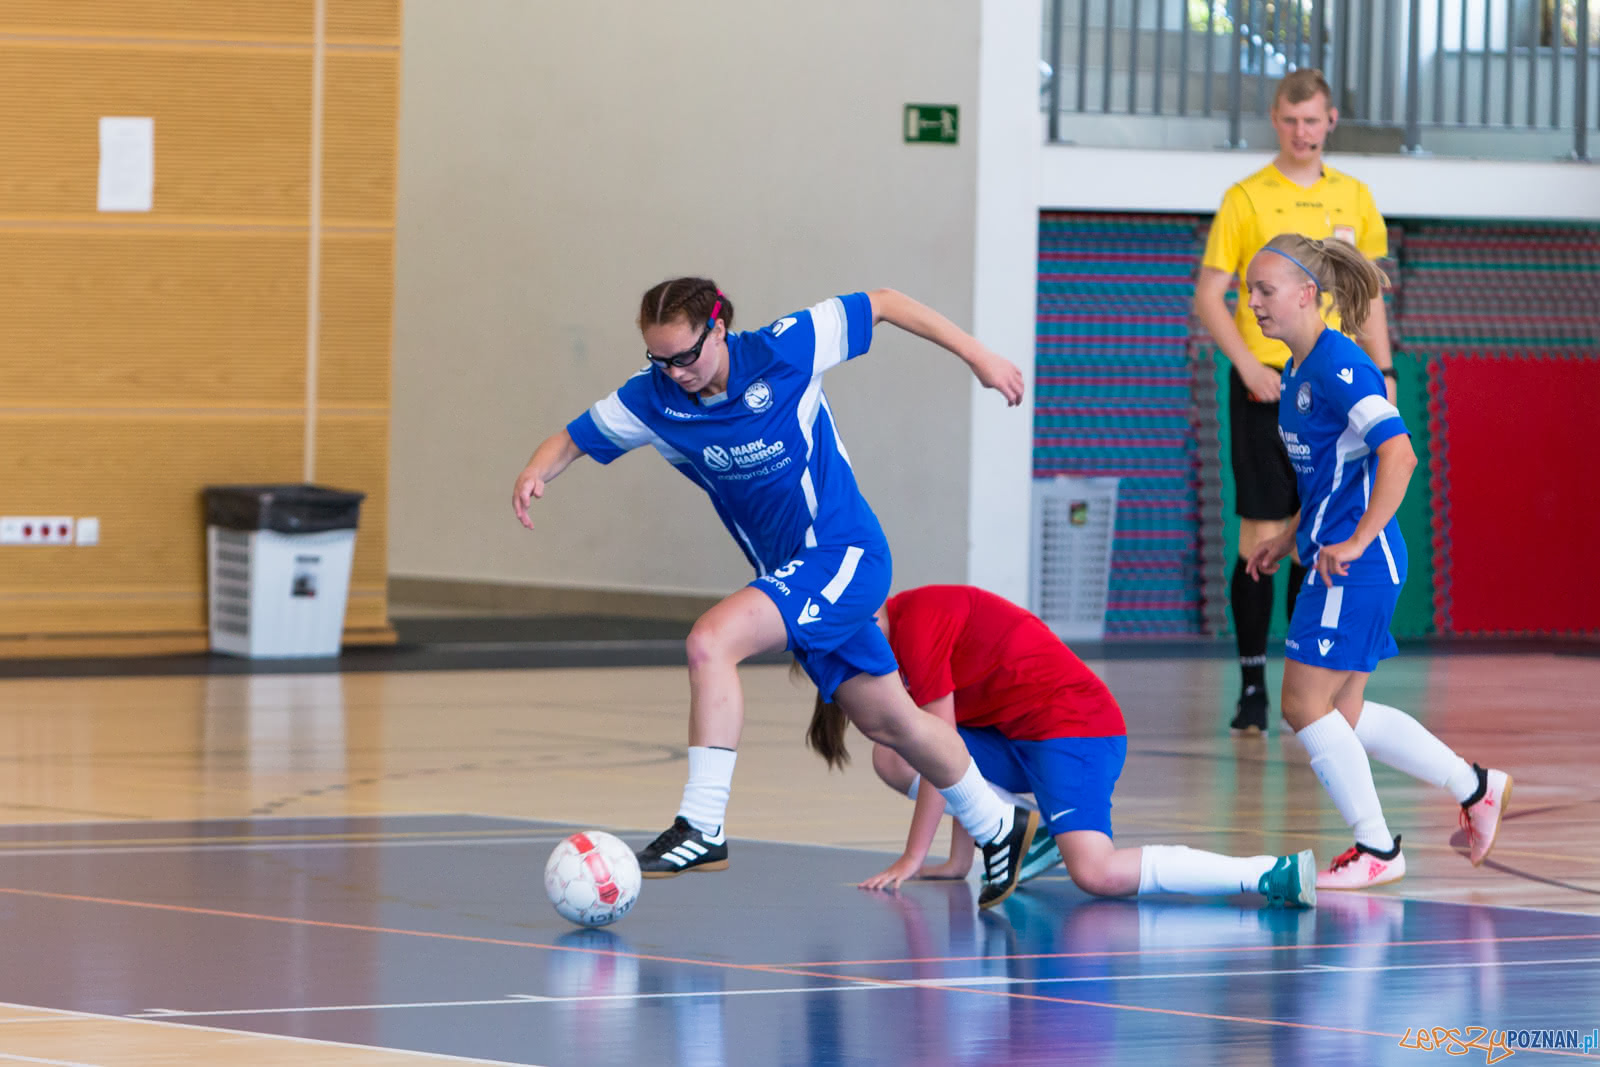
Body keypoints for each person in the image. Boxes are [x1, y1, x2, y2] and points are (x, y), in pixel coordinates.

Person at [512, 277, 1042, 907]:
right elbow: (573, 437)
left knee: (711, 641)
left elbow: (886, 303)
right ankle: (997, 822)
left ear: (719, 328)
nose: (675, 371)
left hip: (843, 552)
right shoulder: (652, 400)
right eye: (659, 358)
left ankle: (702, 823)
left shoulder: (788, 349)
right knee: (892, 722)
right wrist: (535, 472)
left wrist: (979, 356)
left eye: (686, 355)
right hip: (792, 575)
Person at [1242, 233, 1511, 889]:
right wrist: (1289, 535)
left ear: (1308, 294)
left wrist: (1357, 540)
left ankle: (1377, 849)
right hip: (1336, 555)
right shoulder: (1300, 371)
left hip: (1355, 565)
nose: (1252, 303)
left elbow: (1400, 453)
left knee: (1304, 705)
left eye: (1264, 290)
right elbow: (1335, 472)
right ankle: (1474, 785)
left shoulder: (1341, 367)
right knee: (1347, 714)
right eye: (1247, 291)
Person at [805, 584, 1318, 909]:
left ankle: (1266, 873)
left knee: (1097, 872)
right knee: (891, 753)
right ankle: (1023, 837)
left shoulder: (916, 629)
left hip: (1074, 729)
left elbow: (940, 750)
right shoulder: (894, 637)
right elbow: (951, 748)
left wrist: (912, 856)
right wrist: (959, 862)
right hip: (1019, 736)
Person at [1194, 68, 1397, 733]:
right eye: (1290, 120)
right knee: (1260, 536)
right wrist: (1249, 363)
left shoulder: (1356, 197)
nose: (1302, 132)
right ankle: (1252, 685)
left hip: (1335, 389)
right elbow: (1211, 295)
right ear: (1275, 122)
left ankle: (1303, 675)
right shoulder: (1246, 198)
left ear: (1330, 121)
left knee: (1319, 528)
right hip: (1268, 384)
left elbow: (1366, 297)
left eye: (1313, 120)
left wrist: (1385, 369)